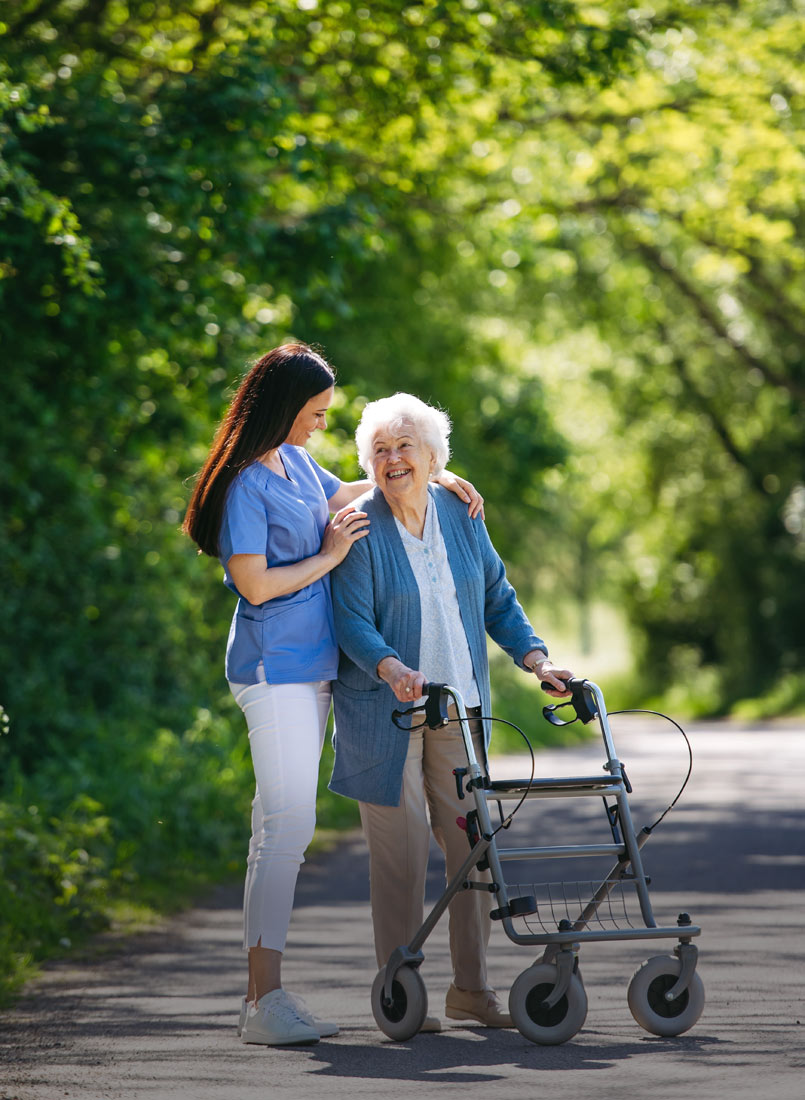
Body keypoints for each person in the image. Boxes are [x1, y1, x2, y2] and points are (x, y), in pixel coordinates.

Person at [182, 345, 483, 1047]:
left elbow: (355, 490)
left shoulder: (291, 465)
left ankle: (268, 995)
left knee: (287, 826)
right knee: (283, 826)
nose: (320, 423)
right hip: (275, 670)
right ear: (285, 405)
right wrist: (327, 558)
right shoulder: (243, 485)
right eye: (315, 411)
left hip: (315, 670)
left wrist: (441, 472)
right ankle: (263, 1000)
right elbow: (256, 583)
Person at [328, 393, 573, 1032]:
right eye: (379, 449)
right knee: (404, 853)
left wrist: (538, 660)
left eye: (404, 445)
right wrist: (390, 667)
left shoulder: (461, 514)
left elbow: (497, 596)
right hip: (385, 711)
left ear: (434, 456)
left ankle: (472, 990)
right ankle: (401, 987)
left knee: (471, 846)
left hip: (458, 705)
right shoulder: (358, 524)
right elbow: (350, 620)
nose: (392, 459)